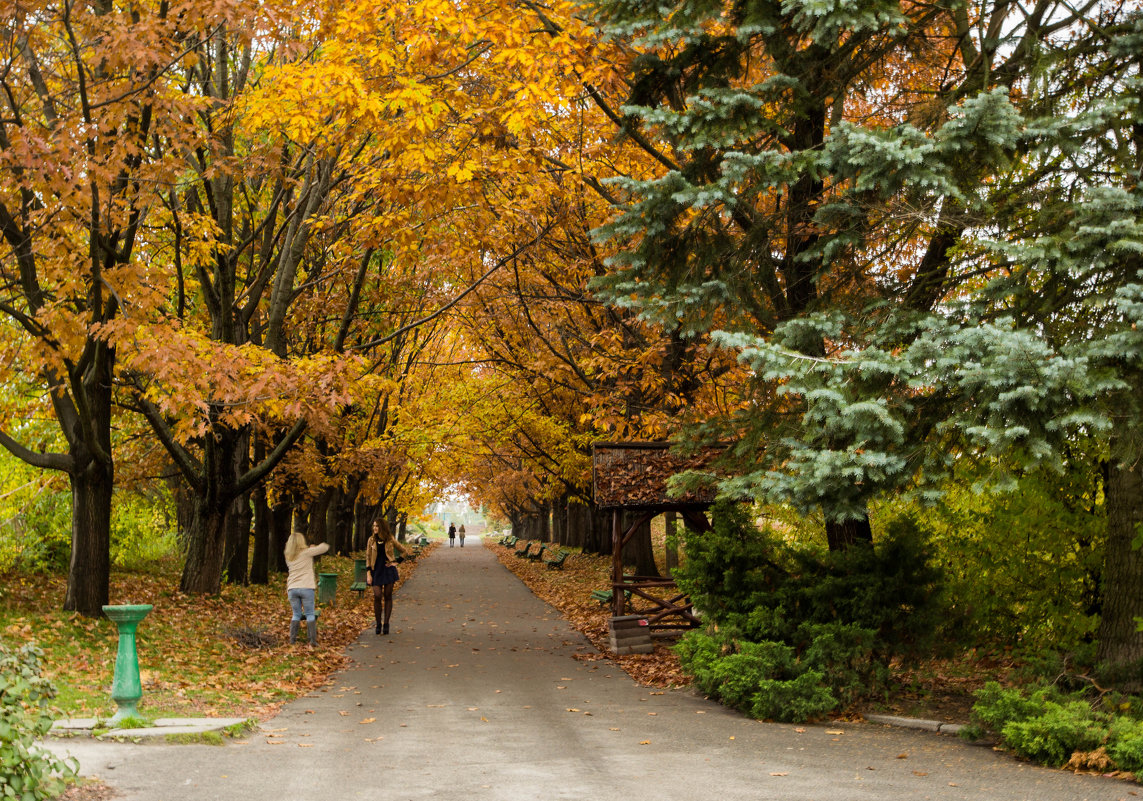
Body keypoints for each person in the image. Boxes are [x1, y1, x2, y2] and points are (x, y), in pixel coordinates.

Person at [365, 519, 411, 635]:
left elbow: (404, 551)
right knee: (377, 595)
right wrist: (368, 574)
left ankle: (386, 623)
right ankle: (378, 623)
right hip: (376, 571)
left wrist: (396, 562)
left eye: (377, 526)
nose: (375, 528)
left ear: (382, 527)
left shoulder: (390, 539)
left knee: (388, 596)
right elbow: (368, 557)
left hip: (388, 570)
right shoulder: (371, 540)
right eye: (374, 526)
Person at [284, 529, 329, 646]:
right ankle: (312, 641)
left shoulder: (288, 555)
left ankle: (292, 640)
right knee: (309, 613)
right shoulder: (307, 552)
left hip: (292, 588)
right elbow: (324, 547)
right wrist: (314, 547)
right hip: (306, 587)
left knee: (296, 614)